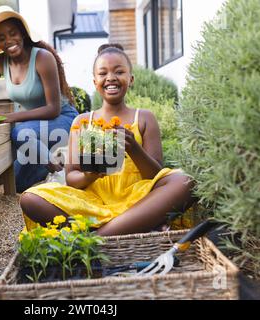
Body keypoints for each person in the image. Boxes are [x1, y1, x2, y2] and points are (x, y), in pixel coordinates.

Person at [19, 44, 196, 236]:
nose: (110, 77)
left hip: (139, 199)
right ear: (95, 82)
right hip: (93, 202)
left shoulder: (144, 118)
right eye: (103, 73)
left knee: (186, 180)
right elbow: (71, 179)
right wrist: (91, 174)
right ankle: (136, 226)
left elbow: (155, 175)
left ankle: (97, 237)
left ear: (131, 79)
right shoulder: (83, 121)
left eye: (119, 71)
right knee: (30, 198)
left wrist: (134, 148)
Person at [0, 6, 78, 192]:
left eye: (13, 33)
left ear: (22, 33)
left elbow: (53, 109)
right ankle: (58, 161)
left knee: (19, 132)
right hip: (35, 130)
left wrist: (11, 118)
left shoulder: (42, 58)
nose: (9, 40)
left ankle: (59, 174)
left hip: (62, 121)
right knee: (18, 182)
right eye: (1, 38)